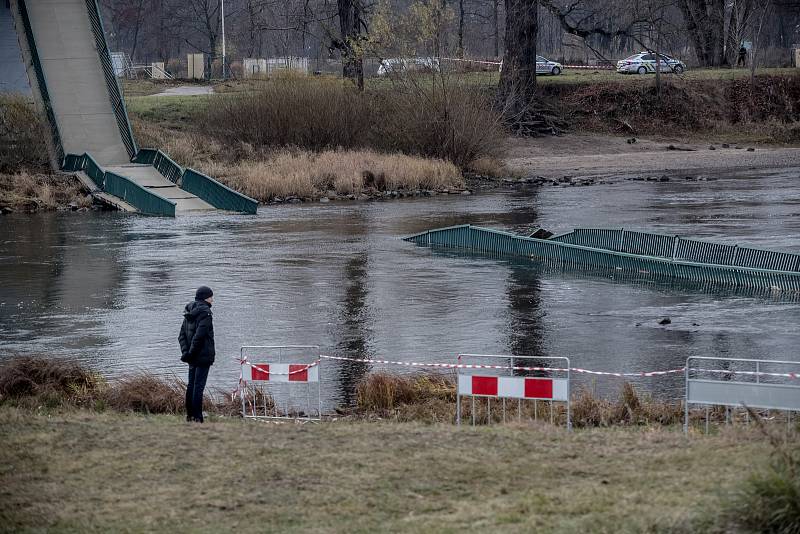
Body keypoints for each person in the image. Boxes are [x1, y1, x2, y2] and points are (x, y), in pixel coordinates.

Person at [179, 286, 215, 423]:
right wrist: (191, 354)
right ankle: (198, 418)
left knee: (191, 385)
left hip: (191, 357)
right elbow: (199, 337)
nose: (213, 300)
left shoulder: (189, 311)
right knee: (198, 387)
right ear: (206, 298)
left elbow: (181, 335)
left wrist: (186, 353)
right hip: (202, 356)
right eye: (211, 297)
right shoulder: (205, 313)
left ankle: (190, 416)